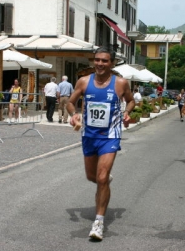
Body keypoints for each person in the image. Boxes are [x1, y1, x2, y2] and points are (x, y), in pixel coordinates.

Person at [66, 46, 134, 241]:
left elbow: (130, 101)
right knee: (91, 176)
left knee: (102, 177)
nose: (100, 64)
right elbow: (70, 103)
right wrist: (74, 114)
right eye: (97, 60)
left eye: (104, 61)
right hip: (89, 135)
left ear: (111, 63)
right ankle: (104, 182)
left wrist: (127, 112)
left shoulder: (120, 83)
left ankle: (98, 222)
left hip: (110, 135)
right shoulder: (84, 81)